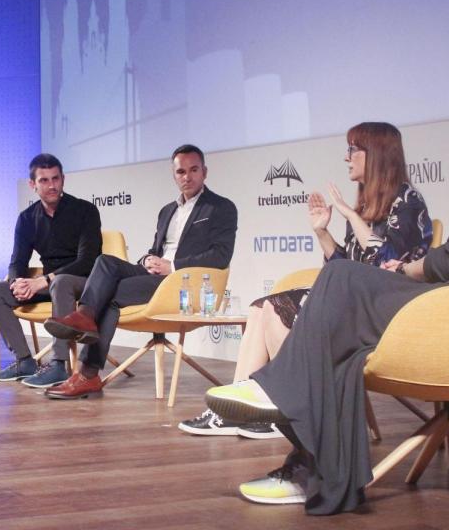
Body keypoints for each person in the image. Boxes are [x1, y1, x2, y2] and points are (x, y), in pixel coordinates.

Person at [205, 70, 449, 513]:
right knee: (342, 330)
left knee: (342, 281)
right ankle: (311, 468)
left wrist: (407, 268)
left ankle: (280, 398)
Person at [180, 122, 432, 438]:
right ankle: (236, 410)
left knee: (274, 308)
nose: (346, 158)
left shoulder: (407, 201)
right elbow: (344, 269)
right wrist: (322, 231)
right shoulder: (368, 203)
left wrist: (351, 216)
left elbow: (389, 266)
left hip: (384, 314)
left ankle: (289, 409)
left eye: (353, 150)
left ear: (376, 155)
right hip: (356, 303)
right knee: (260, 308)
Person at [41, 144, 238, 399]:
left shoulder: (221, 208)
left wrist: (172, 266)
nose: (187, 177)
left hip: (180, 283)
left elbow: (220, 255)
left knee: (110, 296)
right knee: (105, 262)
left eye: (193, 170)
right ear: (174, 174)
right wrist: (147, 259)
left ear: (204, 172)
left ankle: (87, 375)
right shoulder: (168, 210)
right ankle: (85, 316)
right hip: (154, 275)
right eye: (180, 171)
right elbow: (156, 248)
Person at [0, 154, 102, 388]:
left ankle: (58, 364)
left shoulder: (85, 211)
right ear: (33, 185)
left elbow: (88, 261)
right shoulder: (27, 218)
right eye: (44, 180)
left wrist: (44, 280)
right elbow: (17, 260)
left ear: (63, 180)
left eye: (55, 179)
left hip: (82, 282)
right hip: (49, 284)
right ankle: (24, 361)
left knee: (61, 282)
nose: (51, 185)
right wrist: (17, 282)